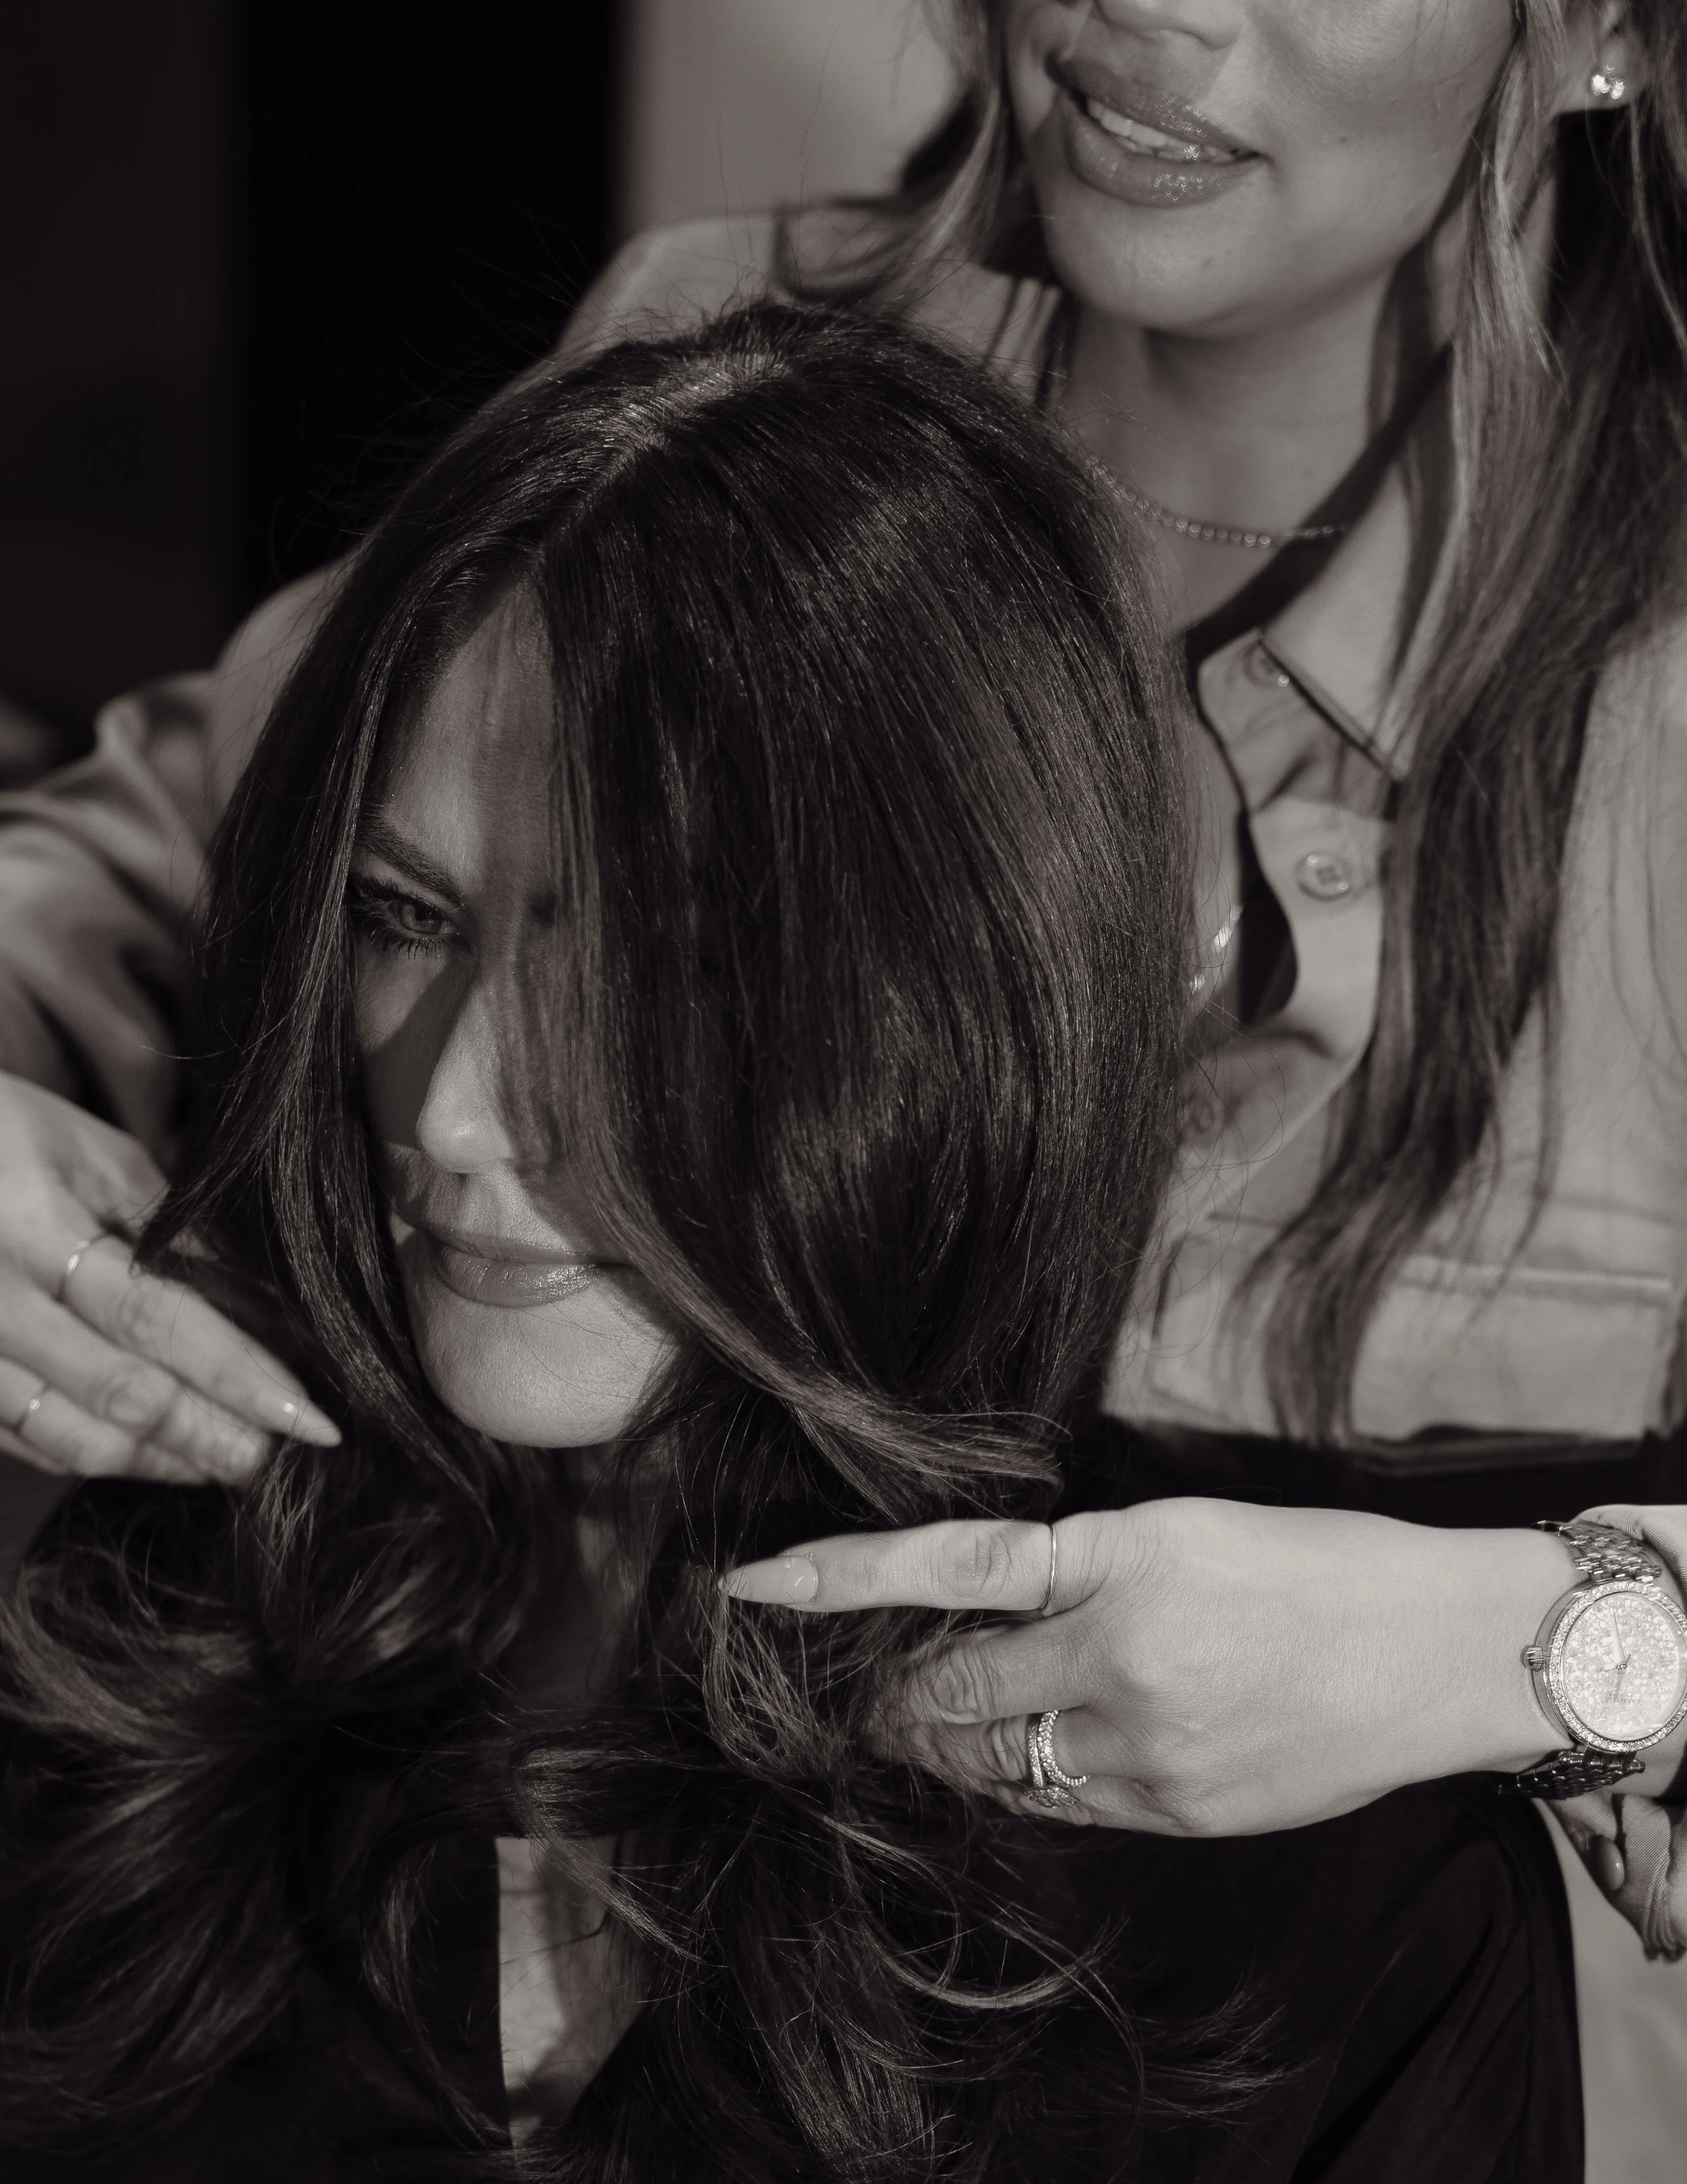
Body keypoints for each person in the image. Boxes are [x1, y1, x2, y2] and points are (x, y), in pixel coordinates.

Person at [0, 305, 1581, 2184]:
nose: (451, 1105)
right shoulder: (100, 1680)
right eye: (400, 914)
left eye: (641, 964)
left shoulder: (1323, 1920)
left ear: (953, 1007)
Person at [0, 1, 1683, 1936]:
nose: (1146, 6)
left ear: (1595, 36)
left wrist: (1532, 1642)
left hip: (1443, 2137)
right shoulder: (722, 346)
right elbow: (216, 836)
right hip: (766, 2021)